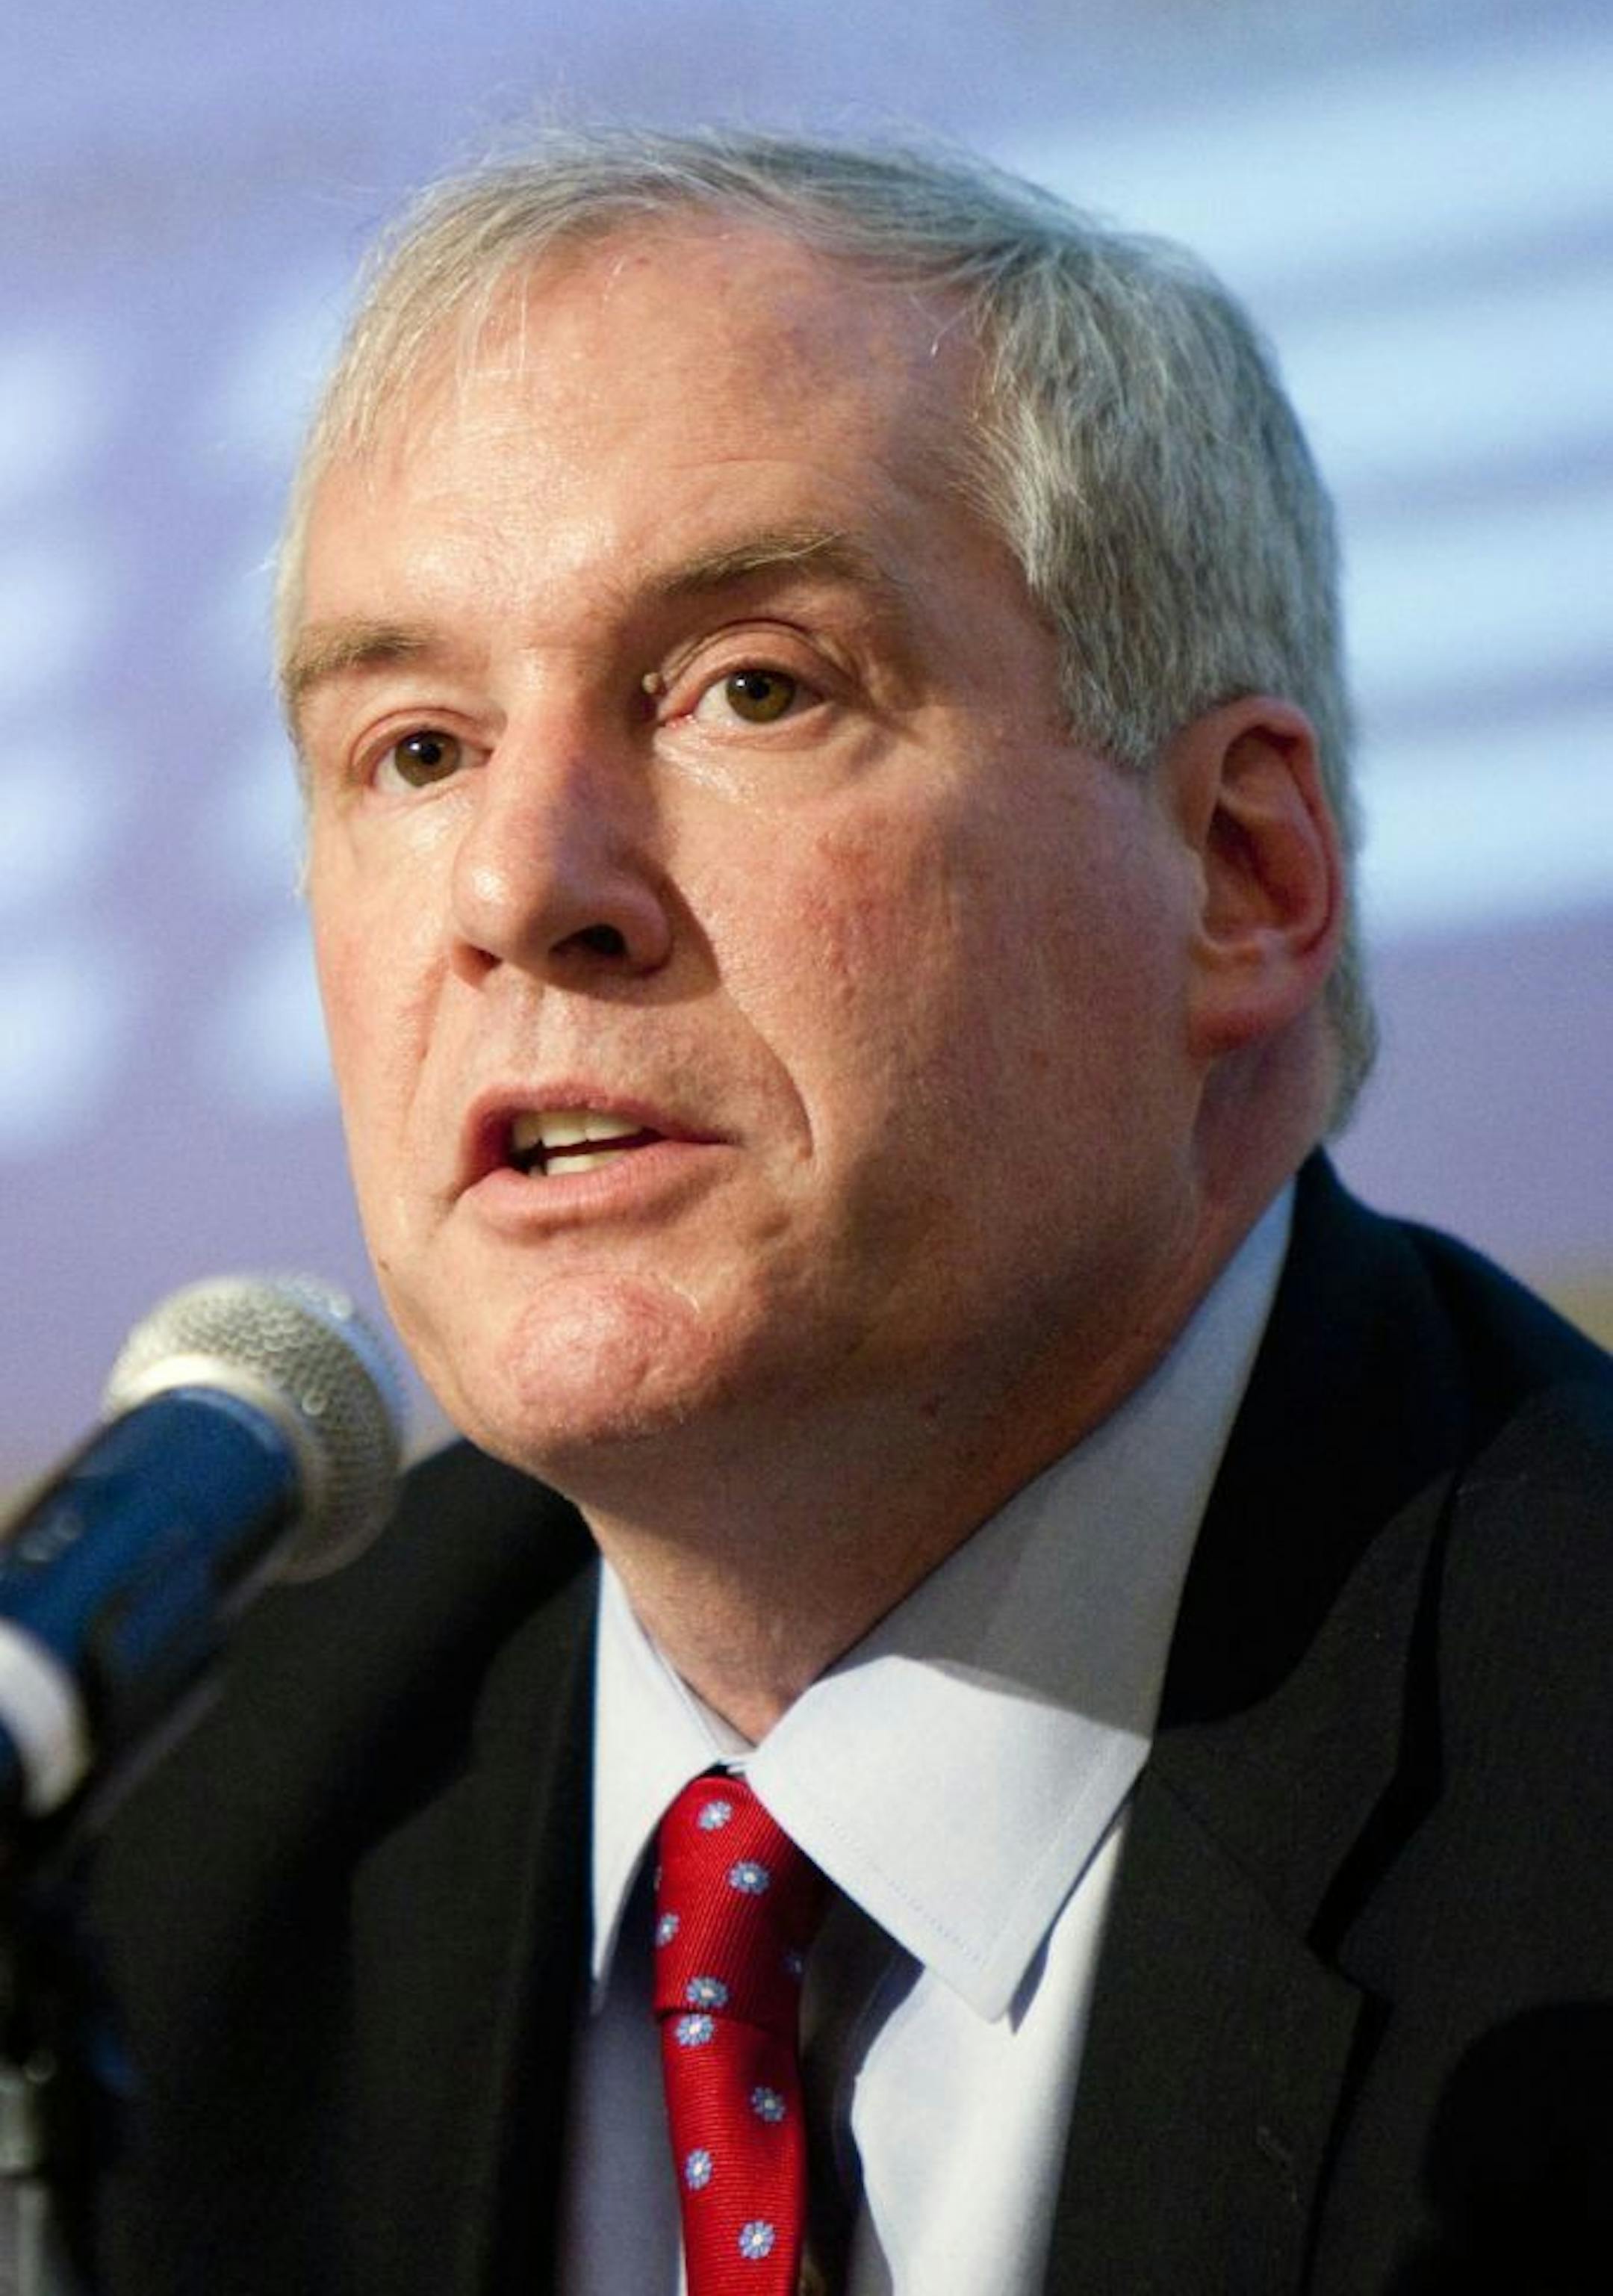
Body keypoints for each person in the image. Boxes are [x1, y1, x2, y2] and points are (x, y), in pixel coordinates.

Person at [61, 131, 1613, 2294]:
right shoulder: (186, 1847)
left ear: (1242, 877)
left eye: (751, 689)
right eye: (414, 749)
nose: (521, 891)